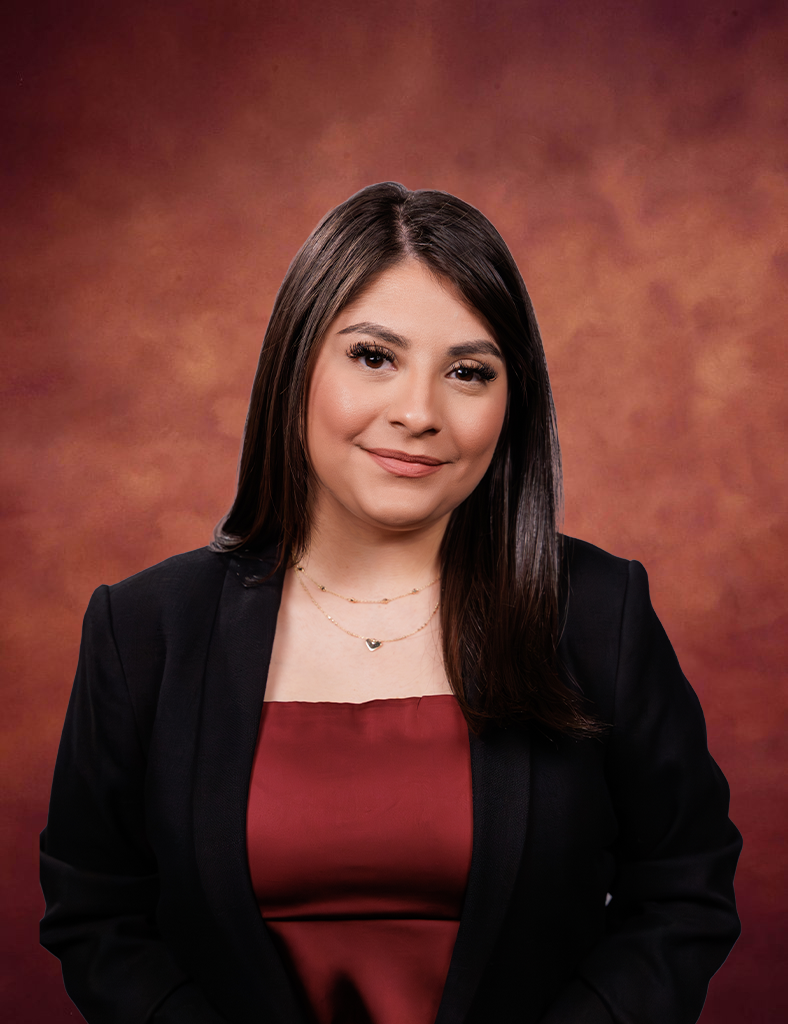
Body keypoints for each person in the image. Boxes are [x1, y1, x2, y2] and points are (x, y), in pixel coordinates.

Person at [40, 182, 742, 1024]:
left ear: (511, 405)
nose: (418, 413)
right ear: (297, 363)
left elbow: (684, 892)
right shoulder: (143, 628)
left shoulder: (600, 613)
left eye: (469, 372)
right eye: (374, 356)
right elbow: (97, 916)